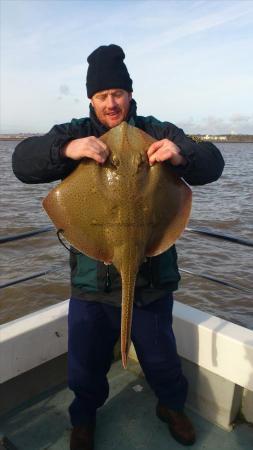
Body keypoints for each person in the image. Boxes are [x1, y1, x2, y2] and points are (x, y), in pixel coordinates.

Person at [12, 44, 224, 450]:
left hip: (153, 278)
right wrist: (65, 150)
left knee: (161, 358)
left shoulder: (158, 130)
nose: (111, 104)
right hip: (92, 278)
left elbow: (213, 163)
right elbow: (22, 162)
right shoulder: (75, 131)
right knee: (85, 364)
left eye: (118, 94)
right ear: (91, 99)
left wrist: (183, 155)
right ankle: (84, 419)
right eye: (102, 96)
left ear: (130, 94)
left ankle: (172, 406)